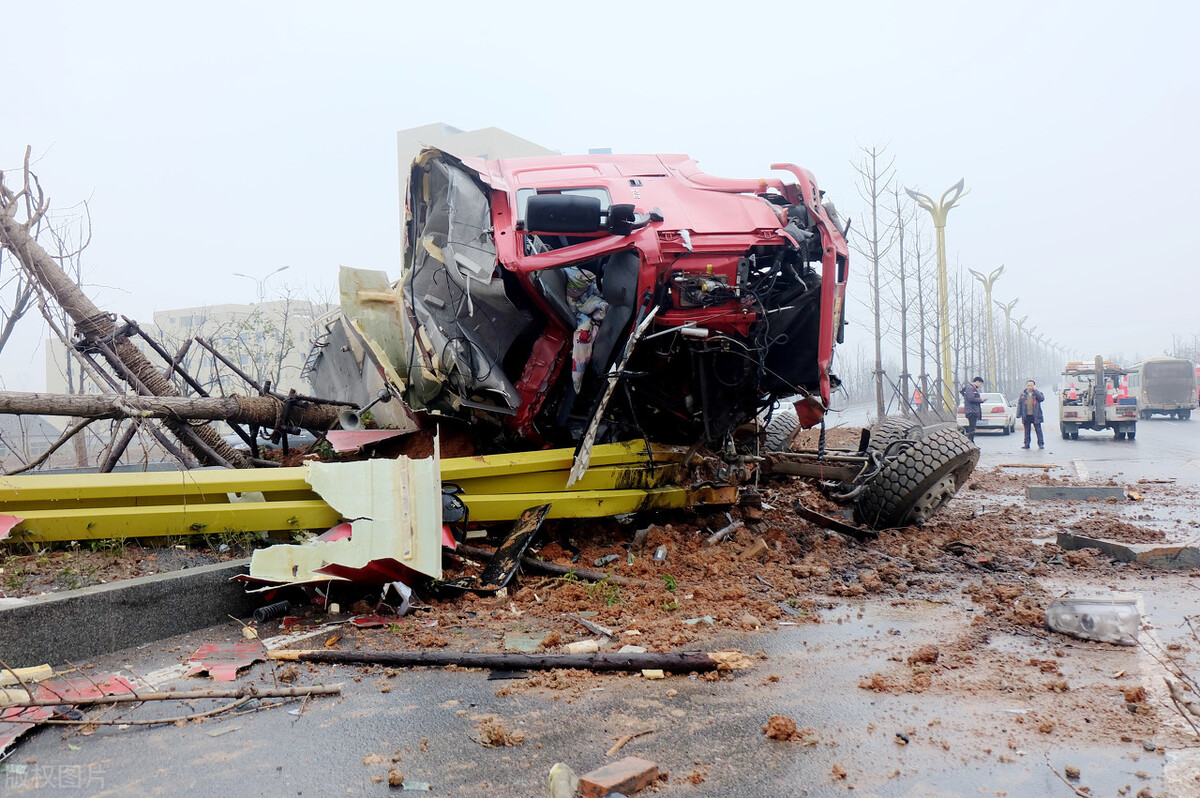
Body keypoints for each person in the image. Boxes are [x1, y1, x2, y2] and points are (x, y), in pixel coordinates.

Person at [1019, 379, 1046, 449]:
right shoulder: (1023, 395)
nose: (1030, 387)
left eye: (1031, 385)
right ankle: (1026, 444)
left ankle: (1041, 444)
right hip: (1026, 415)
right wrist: (1018, 414)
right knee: (1027, 431)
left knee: (1038, 430)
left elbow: (1041, 399)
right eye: (1028, 385)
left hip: (1036, 415)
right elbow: (1020, 404)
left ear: (1034, 386)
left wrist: (1036, 391)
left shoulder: (1038, 393)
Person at [961, 376, 984, 441]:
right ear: (977, 382)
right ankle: (970, 443)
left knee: (972, 428)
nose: (980, 385)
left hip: (973, 411)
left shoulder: (973, 389)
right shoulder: (970, 389)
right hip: (971, 411)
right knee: (971, 429)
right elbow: (971, 399)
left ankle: (971, 443)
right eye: (980, 383)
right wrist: (981, 400)